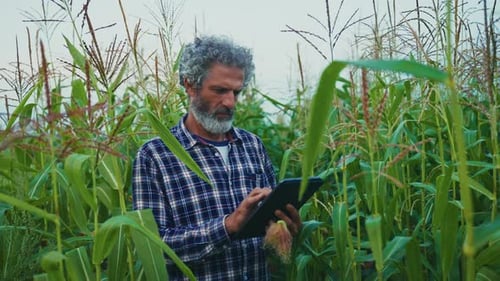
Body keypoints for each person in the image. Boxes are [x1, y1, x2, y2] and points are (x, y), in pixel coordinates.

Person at [132, 35, 302, 281]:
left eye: (237, 92)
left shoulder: (252, 146)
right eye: (220, 90)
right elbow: (153, 247)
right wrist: (228, 226)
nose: (230, 102)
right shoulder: (155, 156)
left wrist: (285, 229)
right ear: (190, 85)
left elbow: (269, 235)